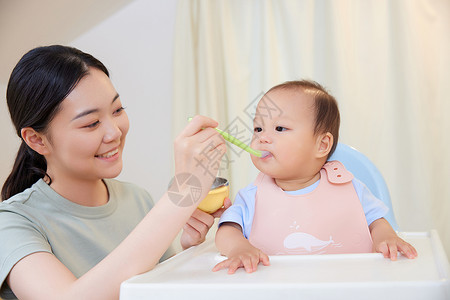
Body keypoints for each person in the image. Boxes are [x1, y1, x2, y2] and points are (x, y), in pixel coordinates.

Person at [0, 45, 230, 299]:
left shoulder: (137, 198)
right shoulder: (12, 224)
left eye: (117, 110)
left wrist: (188, 249)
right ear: (36, 140)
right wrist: (180, 195)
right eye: (91, 123)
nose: (115, 133)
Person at [213, 80, 418, 274]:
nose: (262, 138)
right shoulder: (252, 196)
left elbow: (377, 221)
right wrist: (239, 249)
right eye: (258, 128)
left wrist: (387, 238)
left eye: (280, 128)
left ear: (322, 145)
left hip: (350, 284)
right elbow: (227, 230)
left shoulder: (349, 187)